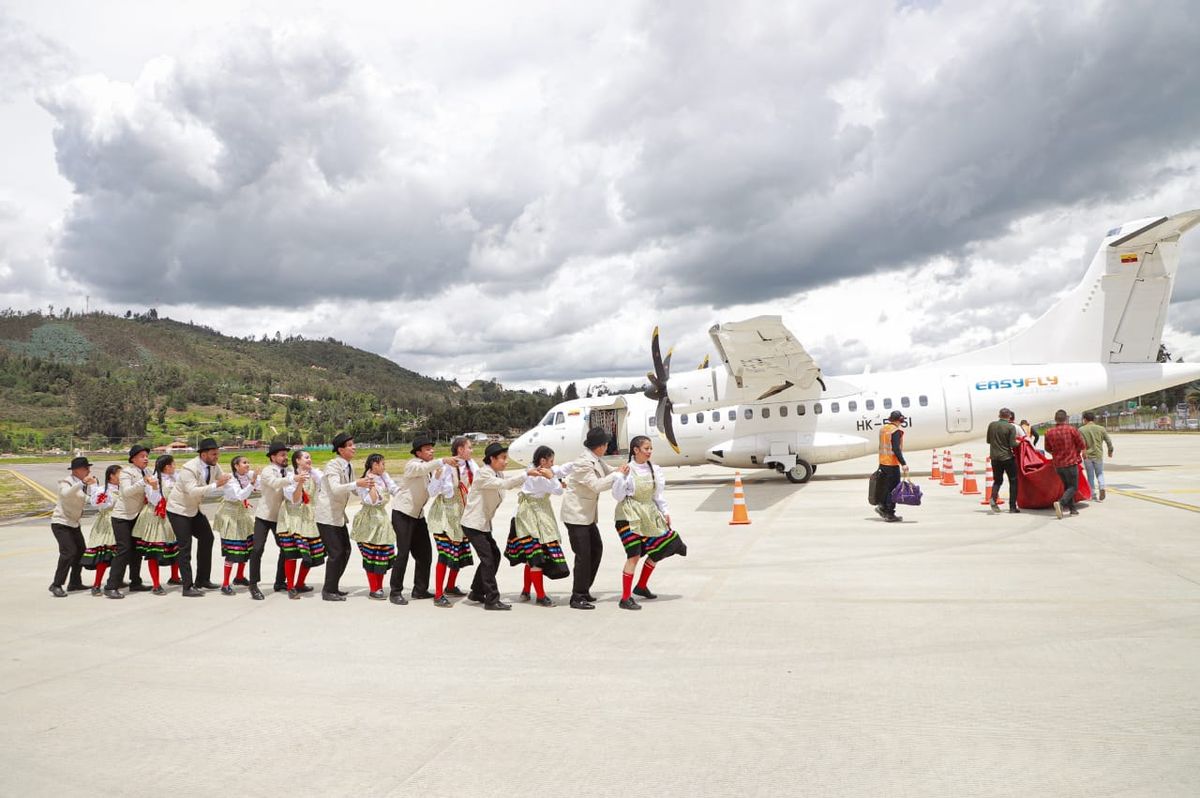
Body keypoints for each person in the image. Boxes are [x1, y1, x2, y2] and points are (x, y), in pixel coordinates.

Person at [460, 442, 540, 610]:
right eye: (503, 458)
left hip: (483, 524)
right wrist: (526, 473)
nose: (506, 461)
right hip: (473, 524)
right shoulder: (483, 474)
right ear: (492, 459)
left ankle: (476, 592)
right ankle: (491, 599)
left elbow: (510, 483)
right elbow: (506, 485)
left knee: (494, 556)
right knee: (488, 559)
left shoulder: (498, 474)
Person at [611, 435, 687, 610]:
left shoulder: (654, 469)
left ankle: (641, 586)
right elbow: (618, 496)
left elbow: (657, 495)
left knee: (666, 545)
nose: (649, 451)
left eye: (651, 448)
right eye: (646, 448)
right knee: (634, 555)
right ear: (636, 450)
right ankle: (625, 598)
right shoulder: (626, 470)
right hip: (628, 516)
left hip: (649, 513)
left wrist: (665, 512)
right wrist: (620, 477)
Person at [561, 428, 629, 610]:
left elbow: (610, 472)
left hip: (587, 516)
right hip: (576, 515)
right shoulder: (583, 462)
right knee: (583, 555)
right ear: (599, 446)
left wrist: (623, 470)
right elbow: (596, 485)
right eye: (606, 444)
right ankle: (577, 597)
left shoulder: (596, 459)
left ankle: (584, 590)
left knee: (596, 550)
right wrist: (617, 474)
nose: (607, 447)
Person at [388, 435, 458, 605]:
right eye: (427, 449)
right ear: (418, 453)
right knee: (403, 553)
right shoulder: (412, 465)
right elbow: (422, 469)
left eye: (432, 448)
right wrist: (442, 460)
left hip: (418, 515)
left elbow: (433, 488)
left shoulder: (431, 469)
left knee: (425, 554)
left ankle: (420, 589)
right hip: (403, 514)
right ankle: (395, 592)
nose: (431, 451)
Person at [505, 445, 572, 607]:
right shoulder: (539, 477)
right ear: (543, 461)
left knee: (532, 558)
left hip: (529, 517)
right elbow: (557, 490)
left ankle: (526, 591)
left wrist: (579, 463)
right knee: (536, 558)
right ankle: (541, 596)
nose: (552, 463)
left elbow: (559, 469)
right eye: (551, 460)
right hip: (530, 519)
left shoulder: (534, 468)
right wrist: (553, 479)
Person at [166, 438, 230, 596]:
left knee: (207, 538)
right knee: (185, 546)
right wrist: (216, 485)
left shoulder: (214, 466)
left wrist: (246, 481)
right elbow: (193, 491)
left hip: (194, 509)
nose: (217, 457)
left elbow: (225, 478)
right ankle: (187, 586)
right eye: (214, 454)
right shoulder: (189, 468)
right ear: (203, 454)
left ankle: (202, 579)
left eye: (218, 454)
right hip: (178, 510)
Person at [314, 432, 371, 602]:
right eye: (350, 445)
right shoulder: (333, 465)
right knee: (336, 552)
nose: (354, 447)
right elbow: (336, 488)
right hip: (327, 516)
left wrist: (367, 485)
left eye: (354, 444)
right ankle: (328, 591)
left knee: (346, 550)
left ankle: (333, 586)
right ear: (340, 449)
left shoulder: (349, 466)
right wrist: (357, 483)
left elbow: (354, 490)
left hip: (338, 516)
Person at [425, 436, 476, 607]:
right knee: (445, 554)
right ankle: (438, 594)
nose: (472, 450)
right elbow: (432, 492)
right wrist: (437, 477)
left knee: (458, 552)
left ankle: (451, 586)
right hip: (444, 516)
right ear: (460, 449)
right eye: (469, 447)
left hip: (460, 515)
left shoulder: (470, 465)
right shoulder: (445, 467)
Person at [104, 444, 154, 598]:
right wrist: (143, 482)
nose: (146, 459)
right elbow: (126, 492)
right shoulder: (126, 472)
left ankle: (135, 582)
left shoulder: (148, 471)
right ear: (133, 459)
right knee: (124, 549)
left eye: (147, 456)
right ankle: (111, 586)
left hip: (137, 516)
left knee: (137, 550)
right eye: (142, 456)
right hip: (122, 517)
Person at [249, 443, 293, 600]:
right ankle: (253, 585)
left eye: (286, 454)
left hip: (280, 517)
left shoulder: (289, 471)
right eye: (282, 455)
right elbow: (275, 483)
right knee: (257, 549)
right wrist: (292, 478)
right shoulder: (268, 471)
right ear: (273, 457)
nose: (285, 457)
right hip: (264, 516)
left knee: (286, 548)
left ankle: (280, 581)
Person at [48, 456, 96, 597]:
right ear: (76, 470)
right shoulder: (66, 482)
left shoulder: (82, 484)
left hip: (74, 523)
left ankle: (75, 582)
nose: (89, 471)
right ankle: (56, 584)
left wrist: (98, 494)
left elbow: (87, 499)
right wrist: (82, 483)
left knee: (81, 551)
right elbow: (66, 494)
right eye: (86, 468)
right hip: (61, 523)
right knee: (68, 552)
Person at [351, 454, 398, 600]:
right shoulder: (364, 481)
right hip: (369, 520)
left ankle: (379, 587)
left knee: (381, 556)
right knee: (370, 555)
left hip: (382, 519)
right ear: (374, 465)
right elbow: (372, 501)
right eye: (382, 464)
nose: (384, 467)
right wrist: (371, 485)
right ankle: (374, 588)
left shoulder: (384, 477)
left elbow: (394, 488)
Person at [278, 449, 323, 599]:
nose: (309, 460)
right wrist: (299, 483)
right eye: (306, 457)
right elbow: (295, 500)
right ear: (297, 460)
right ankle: (290, 587)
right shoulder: (289, 477)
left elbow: (324, 486)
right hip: (293, 519)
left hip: (309, 518)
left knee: (309, 555)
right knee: (291, 554)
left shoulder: (314, 475)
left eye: (310, 457)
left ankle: (300, 583)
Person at [134, 454, 180, 595]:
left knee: (176, 547)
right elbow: (154, 501)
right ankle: (155, 584)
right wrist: (154, 487)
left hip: (170, 515)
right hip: (155, 517)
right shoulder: (153, 480)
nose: (175, 467)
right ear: (167, 467)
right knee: (154, 551)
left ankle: (175, 577)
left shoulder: (174, 477)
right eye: (173, 464)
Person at [213, 455, 257, 595]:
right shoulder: (230, 479)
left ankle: (239, 576)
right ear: (236, 466)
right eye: (244, 462)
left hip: (242, 514)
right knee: (233, 550)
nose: (247, 464)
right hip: (230, 515)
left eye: (248, 462)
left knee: (247, 546)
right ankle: (225, 584)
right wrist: (252, 484)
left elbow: (260, 480)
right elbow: (240, 495)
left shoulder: (246, 475)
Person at [81, 465, 121, 595]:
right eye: (120, 474)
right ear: (111, 476)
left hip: (120, 521)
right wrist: (94, 486)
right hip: (108, 523)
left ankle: (115, 580)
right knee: (105, 555)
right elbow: (99, 504)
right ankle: (97, 585)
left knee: (119, 555)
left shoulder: (122, 489)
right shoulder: (104, 490)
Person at [1043, 409, 1088, 519]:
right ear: (1066, 418)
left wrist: (1056, 453)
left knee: (1067, 486)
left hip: (1058, 464)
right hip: (1071, 462)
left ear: (1055, 419)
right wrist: (1080, 452)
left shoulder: (1049, 432)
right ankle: (1061, 503)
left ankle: (1073, 509)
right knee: (1073, 487)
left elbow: (1047, 448)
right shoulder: (1072, 430)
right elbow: (1081, 444)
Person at [875, 410, 910, 523]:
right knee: (893, 490)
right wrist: (903, 463)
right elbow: (896, 449)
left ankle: (882, 507)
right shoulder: (895, 431)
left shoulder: (883, 429)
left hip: (883, 463)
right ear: (900, 420)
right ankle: (890, 514)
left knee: (885, 487)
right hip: (892, 464)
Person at [985, 408, 1020, 513]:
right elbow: (1012, 444)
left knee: (997, 481)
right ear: (1009, 416)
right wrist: (1020, 442)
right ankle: (1012, 507)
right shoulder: (1010, 427)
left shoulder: (992, 425)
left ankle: (993, 498)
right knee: (1013, 481)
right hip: (1007, 457)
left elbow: (988, 441)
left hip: (994, 458)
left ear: (999, 415)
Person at [1079, 411, 1115, 501]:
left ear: (1085, 419)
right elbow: (1108, 441)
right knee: (1100, 473)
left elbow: (1081, 443)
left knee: (1090, 475)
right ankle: (1102, 487)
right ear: (1094, 419)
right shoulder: (1101, 428)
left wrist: (1082, 452)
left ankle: (1092, 494)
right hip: (1098, 454)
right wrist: (1110, 451)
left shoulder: (1081, 430)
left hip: (1087, 456)